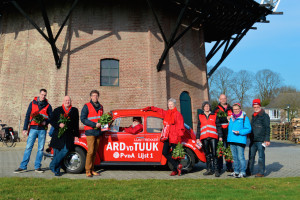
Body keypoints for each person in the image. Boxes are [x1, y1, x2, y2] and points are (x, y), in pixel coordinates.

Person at [142, 98, 185, 176]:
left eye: (171, 104)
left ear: (174, 105)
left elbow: (181, 127)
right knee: (164, 152)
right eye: (169, 104)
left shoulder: (178, 114)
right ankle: (177, 166)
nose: (170, 106)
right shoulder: (167, 113)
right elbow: (159, 110)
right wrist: (151, 108)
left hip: (175, 137)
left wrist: (179, 137)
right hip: (167, 136)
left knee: (175, 155)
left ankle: (175, 170)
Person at [14, 89, 52, 173]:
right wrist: (24, 128)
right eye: (42, 94)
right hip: (33, 128)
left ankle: (37, 167)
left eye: (45, 95)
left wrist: (46, 122)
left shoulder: (48, 106)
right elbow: (27, 116)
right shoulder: (32, 103)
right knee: (28, 148)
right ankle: (23, 167)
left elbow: (51, 117)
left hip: (42, 129)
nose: (43, 96)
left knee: (40, 149)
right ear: (39, 94)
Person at [49, 96, 79, 176]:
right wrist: (59, 124)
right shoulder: (57, 110)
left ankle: (52, 165)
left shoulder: (75, 110)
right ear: (63, 101)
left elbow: (76, 124)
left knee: (65, 150)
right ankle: (56, 170)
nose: (67, 101)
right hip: (58, 135)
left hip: (68, 135)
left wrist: (76, 135)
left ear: (70, 101)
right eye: (66, 100)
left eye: (68, 100)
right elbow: (51, 121)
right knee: (57, 152)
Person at [81, 90, 103, 177]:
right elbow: (83, 119)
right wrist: (94, 124)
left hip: (98, 132)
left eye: (96, 95)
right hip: (90, 131)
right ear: (91, 97)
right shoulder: (86, 106)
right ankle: (87, 170)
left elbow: (101, 118)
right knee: (90, 152)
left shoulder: (101, 106)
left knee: (94, 152)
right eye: (93, 95)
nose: (95, 97)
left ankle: (92, 169)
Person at [196, 101, 222, 177]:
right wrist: (197, 137)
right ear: (203, 107)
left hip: (213, 137)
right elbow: (198, 127)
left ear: (210, 107)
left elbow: (218, 126)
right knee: (207, 154)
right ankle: (209, 169)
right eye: (205, 106)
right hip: (204, 137)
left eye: (208, 106)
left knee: (214, 154)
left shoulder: (214, 115)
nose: (207, 107)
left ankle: (216, 170)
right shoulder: (200, 116)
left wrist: (220, 136)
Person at [246, 99, 270, 177]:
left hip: (261, 140)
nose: (256, 108)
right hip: (253, 140)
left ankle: (261, 172)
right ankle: (249, 171)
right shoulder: (253, 116)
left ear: (260, 106)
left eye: (257, 106)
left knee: (261, 157)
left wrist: (267, 139)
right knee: (251, 156)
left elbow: (267, 128)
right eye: (254, 107)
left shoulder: (264, 116)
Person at [227, 103, 251, 178]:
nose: (236, 111)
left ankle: (243, 172)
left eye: (237, 109)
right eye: (234, 109)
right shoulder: (231, 118)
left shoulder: (244, 118)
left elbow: (248, 129)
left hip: (240, 140)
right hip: (232, 140)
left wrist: (239, 132)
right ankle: (236, 171)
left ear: (240, 109)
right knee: (234, 157)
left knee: (241, 157)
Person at [214, 94, 233, 173]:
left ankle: (229, 166)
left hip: (229, 132)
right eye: (222, 99)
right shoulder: (216, 110)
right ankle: (220, 166)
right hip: (220, 132)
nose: (223, 100)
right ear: (219, 99)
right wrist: (226, 118)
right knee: (220, 149)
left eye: (224, 98)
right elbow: (216, 119)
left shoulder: (231, 108)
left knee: (229, 150)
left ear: (226, 99)